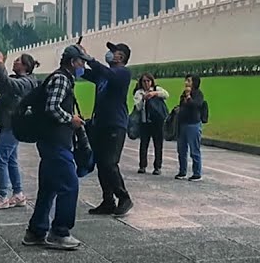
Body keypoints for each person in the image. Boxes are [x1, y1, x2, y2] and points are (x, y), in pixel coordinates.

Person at [23, 44, 87, 250]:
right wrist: (71, 120)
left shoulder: (62, 77)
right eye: (81, 61)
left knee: (49, 188)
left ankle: (36, 231)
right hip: (56, 141)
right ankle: (60, 231)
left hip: (49, 140)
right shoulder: (61, 78)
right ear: (72, 62)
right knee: (70, 185)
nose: (83, 65)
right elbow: (52, 107)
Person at [81, 42, 134, 216]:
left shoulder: (122, 73)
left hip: (115, 124)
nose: (110, 54)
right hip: (101, 124)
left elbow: (104, 72)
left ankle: (124, 197)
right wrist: (77, 60)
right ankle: (108, 201)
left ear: (121, 57)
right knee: (101, 164)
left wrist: (89, 58)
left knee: (110, 163)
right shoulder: (105, 76)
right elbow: (88, 73)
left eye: (114, 52)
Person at [0, 51, 38, 209]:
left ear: (25, 66)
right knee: (11, 160)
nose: (14, 63)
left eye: (17, 61)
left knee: (0, 159)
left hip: (13, 125)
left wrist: (1, 64)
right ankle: (18, 193)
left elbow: (6, 83)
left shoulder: (26, 82)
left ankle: (3, 196)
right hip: (8, 123)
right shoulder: (16, 80)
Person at [133, 73, 169, 175]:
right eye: (144, 81)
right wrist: (143, 99)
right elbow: (138, 108)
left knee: (158, 145)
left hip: (157, 121)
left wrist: (154, 93)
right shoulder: (139, 93)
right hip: (145, 122)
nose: (146, 83)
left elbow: (166, 95)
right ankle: (142, 165)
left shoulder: (157, 89)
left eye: (148, 81)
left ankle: (157, 167)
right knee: (144, 144)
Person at [174, 75, 209, 180]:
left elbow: (196, 105)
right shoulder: (183, 94)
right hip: (182, 124)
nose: (186, 82)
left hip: (193, 124)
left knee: (194, 149)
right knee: (181, 149)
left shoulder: (198, 94)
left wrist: (189, 98)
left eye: (189, 80)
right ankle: (182, 171)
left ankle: (197, 173)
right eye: (186, 80)